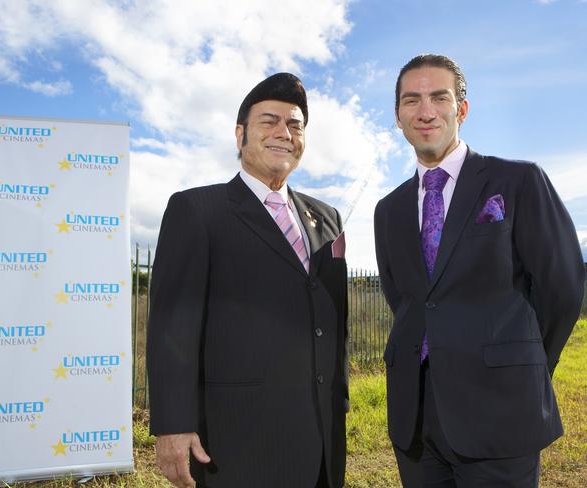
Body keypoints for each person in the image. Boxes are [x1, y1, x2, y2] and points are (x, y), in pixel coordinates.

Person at [374, 54, 584, 487]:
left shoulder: (519, 181)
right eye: (411, 100)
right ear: (398, 116)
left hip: (500, 411)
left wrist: (521, 363)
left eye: (439, 97)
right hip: (415, 417)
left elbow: (562, 287)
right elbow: (405, 299)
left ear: (462, 109)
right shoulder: (388, 209)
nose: (425, 111)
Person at [147, 73, 349, 488]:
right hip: (236, 440)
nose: (284, 133)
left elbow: (334, 319)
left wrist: (338, 402)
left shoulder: (326, 217)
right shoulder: (197, 210)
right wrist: (173, 423)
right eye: (269, 121)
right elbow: (172, 324)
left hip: (320, 436)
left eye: (295, 125)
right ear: (240, 135)